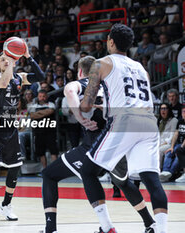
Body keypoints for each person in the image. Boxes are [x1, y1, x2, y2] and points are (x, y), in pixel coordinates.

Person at [41, 56, 156, 233]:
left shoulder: (83, 83)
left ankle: (53, 229)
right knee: (123, 184)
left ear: (80, 71)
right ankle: (150, 223)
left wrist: (80, 118)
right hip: (117, 142)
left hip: (94, 145)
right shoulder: (110, 84)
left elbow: (70, 91)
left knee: (50, 174)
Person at [79, 24, 168, 233]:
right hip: (148, 122)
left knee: (88, 170)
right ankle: (160, 229)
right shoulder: (141, 68)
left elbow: (85, 105)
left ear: (110, 41)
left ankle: (107, 227)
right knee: (152, 180)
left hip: (124, 122)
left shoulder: (100, 64)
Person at [0, 40, 45, 223]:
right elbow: (4, 82)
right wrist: (10, 60)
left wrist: (28, 56)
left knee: (15, 168)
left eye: (7, 60)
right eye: (2, 60)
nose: (5, 62)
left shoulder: (19, 78)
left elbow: (40, 76)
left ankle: (6, 204)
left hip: (10, 124)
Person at [29, 90, 57, 168]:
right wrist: (44, 113)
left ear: (46, 96)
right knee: (41, 152)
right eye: (40, 96)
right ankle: (44, 169)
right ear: (38, 97)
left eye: (44, 96)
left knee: (53, 151)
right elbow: (32, 116)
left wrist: (38, 113)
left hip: (50, 131)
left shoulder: (51, 104)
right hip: (38, 132)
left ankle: (54, 169)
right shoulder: (33, 106)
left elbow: (50, 111)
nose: (42, 98)